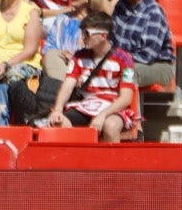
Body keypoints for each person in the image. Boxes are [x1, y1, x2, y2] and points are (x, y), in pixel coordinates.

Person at [47, 11, 138, 142]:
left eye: (87, 33)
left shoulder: (125, 60)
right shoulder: (79, 57)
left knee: (110, 126)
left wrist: (103, 115)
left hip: (113, 108)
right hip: (86, 105)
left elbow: (126, 98)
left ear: (103, 36)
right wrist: (58, 110)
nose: (82, 38)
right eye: (82, 33)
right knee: (58, 122)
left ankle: (113, 161)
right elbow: (68, 85)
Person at [110, 0, 176, 89]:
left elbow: (147, 55)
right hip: (121, 61)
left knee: (126, 74)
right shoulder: (120, 6)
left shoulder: (153, 12)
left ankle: (129, 108)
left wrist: (116, 59)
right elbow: (110, 40)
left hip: (157, 65)